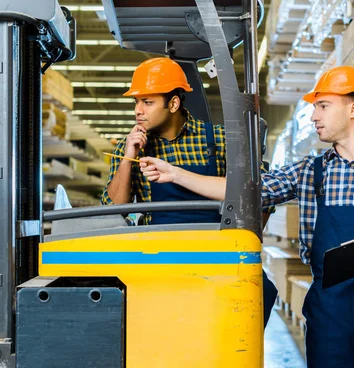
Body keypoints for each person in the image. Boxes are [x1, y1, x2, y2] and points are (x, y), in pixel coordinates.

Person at [139, 66, 354, 367]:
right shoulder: (310, 171)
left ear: (353, 108)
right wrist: (174, 173)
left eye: (323, 106)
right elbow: (245, 191)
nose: (313, 117)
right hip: (329, 316)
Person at [101, 57, 278, 327]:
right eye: (136, 102)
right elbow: (113, 208)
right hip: (157, 261)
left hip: (215, 260)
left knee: (260, 292)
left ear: (173, 103)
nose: (138, 110)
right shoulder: (132, 147)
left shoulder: (218, 140)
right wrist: (128, 158)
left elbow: (264, 196)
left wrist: (242, 241)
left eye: (147, 102)